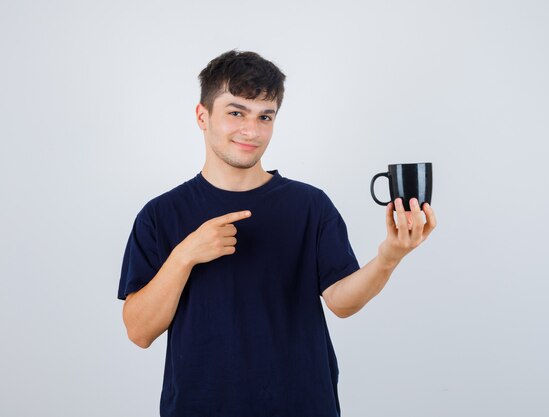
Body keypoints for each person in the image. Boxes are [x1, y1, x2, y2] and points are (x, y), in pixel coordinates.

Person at [117, 50, 437, 417]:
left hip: (302, 405)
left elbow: (341, 302)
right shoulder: (160, 215)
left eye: (264, 116)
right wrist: (185, 255)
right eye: (236, 112)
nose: (251, 131)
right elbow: (139, 332)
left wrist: (389, 257)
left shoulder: (310, 205)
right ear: (202, 116)